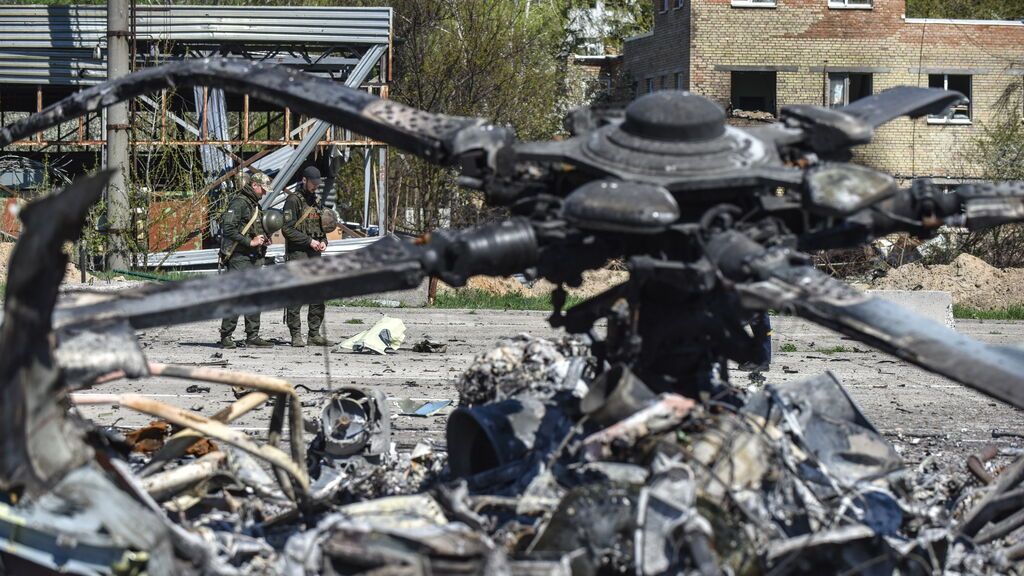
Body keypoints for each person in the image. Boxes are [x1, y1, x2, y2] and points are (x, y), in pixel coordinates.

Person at [219, 172, 273, 349]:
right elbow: (227, 228)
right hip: (239, 256)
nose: (264, 193)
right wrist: (249, 241)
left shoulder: (254, 204)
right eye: (263, 190)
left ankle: (253, 335)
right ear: (255, 185)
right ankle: (226, 335)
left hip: (254, 256)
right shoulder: (239, 202)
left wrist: (264, 238)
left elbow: (255, 227)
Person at [282, 165, 330, 347]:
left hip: (315, 254)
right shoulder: (293, 201)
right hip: (298, 254)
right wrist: (309, 241)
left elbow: (322, 226)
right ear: (304, 180)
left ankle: (314, 333)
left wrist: (324, 240)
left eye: (317, 184)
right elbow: (286, 229)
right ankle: (295, 334)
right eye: (313, 183)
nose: (315, 187)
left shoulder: (316, 201)